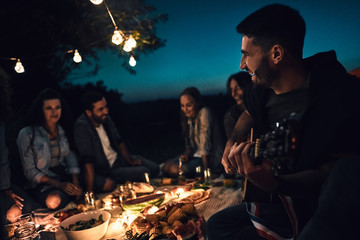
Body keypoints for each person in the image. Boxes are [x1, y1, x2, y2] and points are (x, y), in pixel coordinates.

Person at [207, 4, 360, 240]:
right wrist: (233, 139)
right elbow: (248, 113)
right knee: (215, 225)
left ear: (276, 54)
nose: (241, 65)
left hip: (310, 202)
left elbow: (332, 174)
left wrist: (275, 184)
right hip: (272, 201)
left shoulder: (338, 96)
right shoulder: (258, 92)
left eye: (247, 54)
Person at [73, 91, 160, 194]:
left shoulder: (105, 119)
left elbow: (119, 141)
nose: (106, 111)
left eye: (106, 107)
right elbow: (88, 160)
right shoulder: (81, 127)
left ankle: (129, 171)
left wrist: (130, 161)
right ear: (88, 112)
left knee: (155, 168)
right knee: (144, 172)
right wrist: (90, 191)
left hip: (119, 160)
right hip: (106, 169)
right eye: (101, 109)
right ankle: (121, 179)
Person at [17, 88, 83, 210]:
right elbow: (30, 171)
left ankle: (73, 197)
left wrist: (75, 182)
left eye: (57, 107)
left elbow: (70, 156)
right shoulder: (27, 134)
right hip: (43, 181)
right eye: (49, 108)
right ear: (41, 110)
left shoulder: (63, 129)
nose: (54, 112)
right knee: (53, 201)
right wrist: (59, 185)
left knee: (87, 187)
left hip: (64, 174)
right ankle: (68, 201)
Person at [0, 68, 40, 227]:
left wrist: (5, 188)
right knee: (13, 212)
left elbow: (2, 155)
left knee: (29, 208)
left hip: (3, 184)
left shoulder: (0, 120)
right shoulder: (27, 133)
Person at [162, 87, 225, 178]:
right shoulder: (190, 118)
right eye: (182, 105)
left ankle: (197, 172)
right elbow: (190, 146)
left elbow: (204, 145)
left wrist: (207, 171)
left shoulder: (204, 113)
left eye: (189, 105)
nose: (185, 109)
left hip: (207, 159)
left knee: (173, 170)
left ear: (197, 103)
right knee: (165, 167)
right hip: (195, 156)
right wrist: (187, 155)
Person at [223, 71, 252, 139]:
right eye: (232, 89)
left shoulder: (262, 107)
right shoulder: (231, 116)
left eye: (238, 87)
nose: (233, 93)